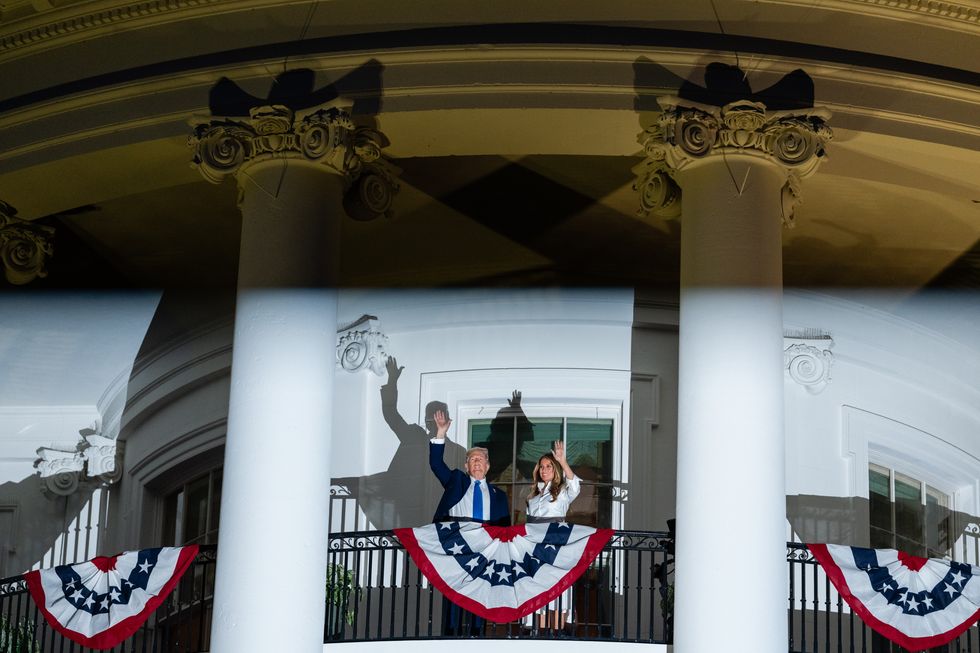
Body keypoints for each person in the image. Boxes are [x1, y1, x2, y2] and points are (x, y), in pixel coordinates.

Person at [429, 407, 510, 636]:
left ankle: (477, 634)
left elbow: (504, 529)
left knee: (479, 589)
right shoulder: (456, 480)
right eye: (473, 459)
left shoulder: (500, 496)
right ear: (466, 466)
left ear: (487, 466)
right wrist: (441, 433)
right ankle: (450, 635)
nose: (477, 463)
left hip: (484, 547)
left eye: (481, 460)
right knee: (454, 589)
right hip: (457, 541)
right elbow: (436, 465)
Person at [525, 440, 580, 631]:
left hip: (556, 548)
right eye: (541, 467)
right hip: (535, 549)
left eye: (548, 466)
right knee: (537, 588)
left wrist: (563, 461)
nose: (544, 469)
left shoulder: (563, 491)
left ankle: (557, 632)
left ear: (555, 469)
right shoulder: (532, 496)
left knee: (557, 590)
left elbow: (575, 486)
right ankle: (537, 633)